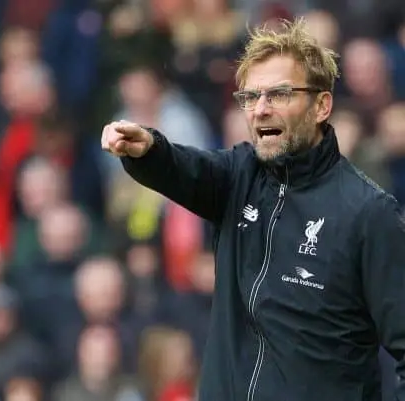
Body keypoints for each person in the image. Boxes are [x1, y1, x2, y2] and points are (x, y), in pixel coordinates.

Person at [101, 18, 405, 401]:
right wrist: (149, 150)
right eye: (249, 97)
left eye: (278, 94)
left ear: (321, 105)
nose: (260, 109)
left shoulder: (368, 213)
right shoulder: (237, 177)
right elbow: (183, 168)